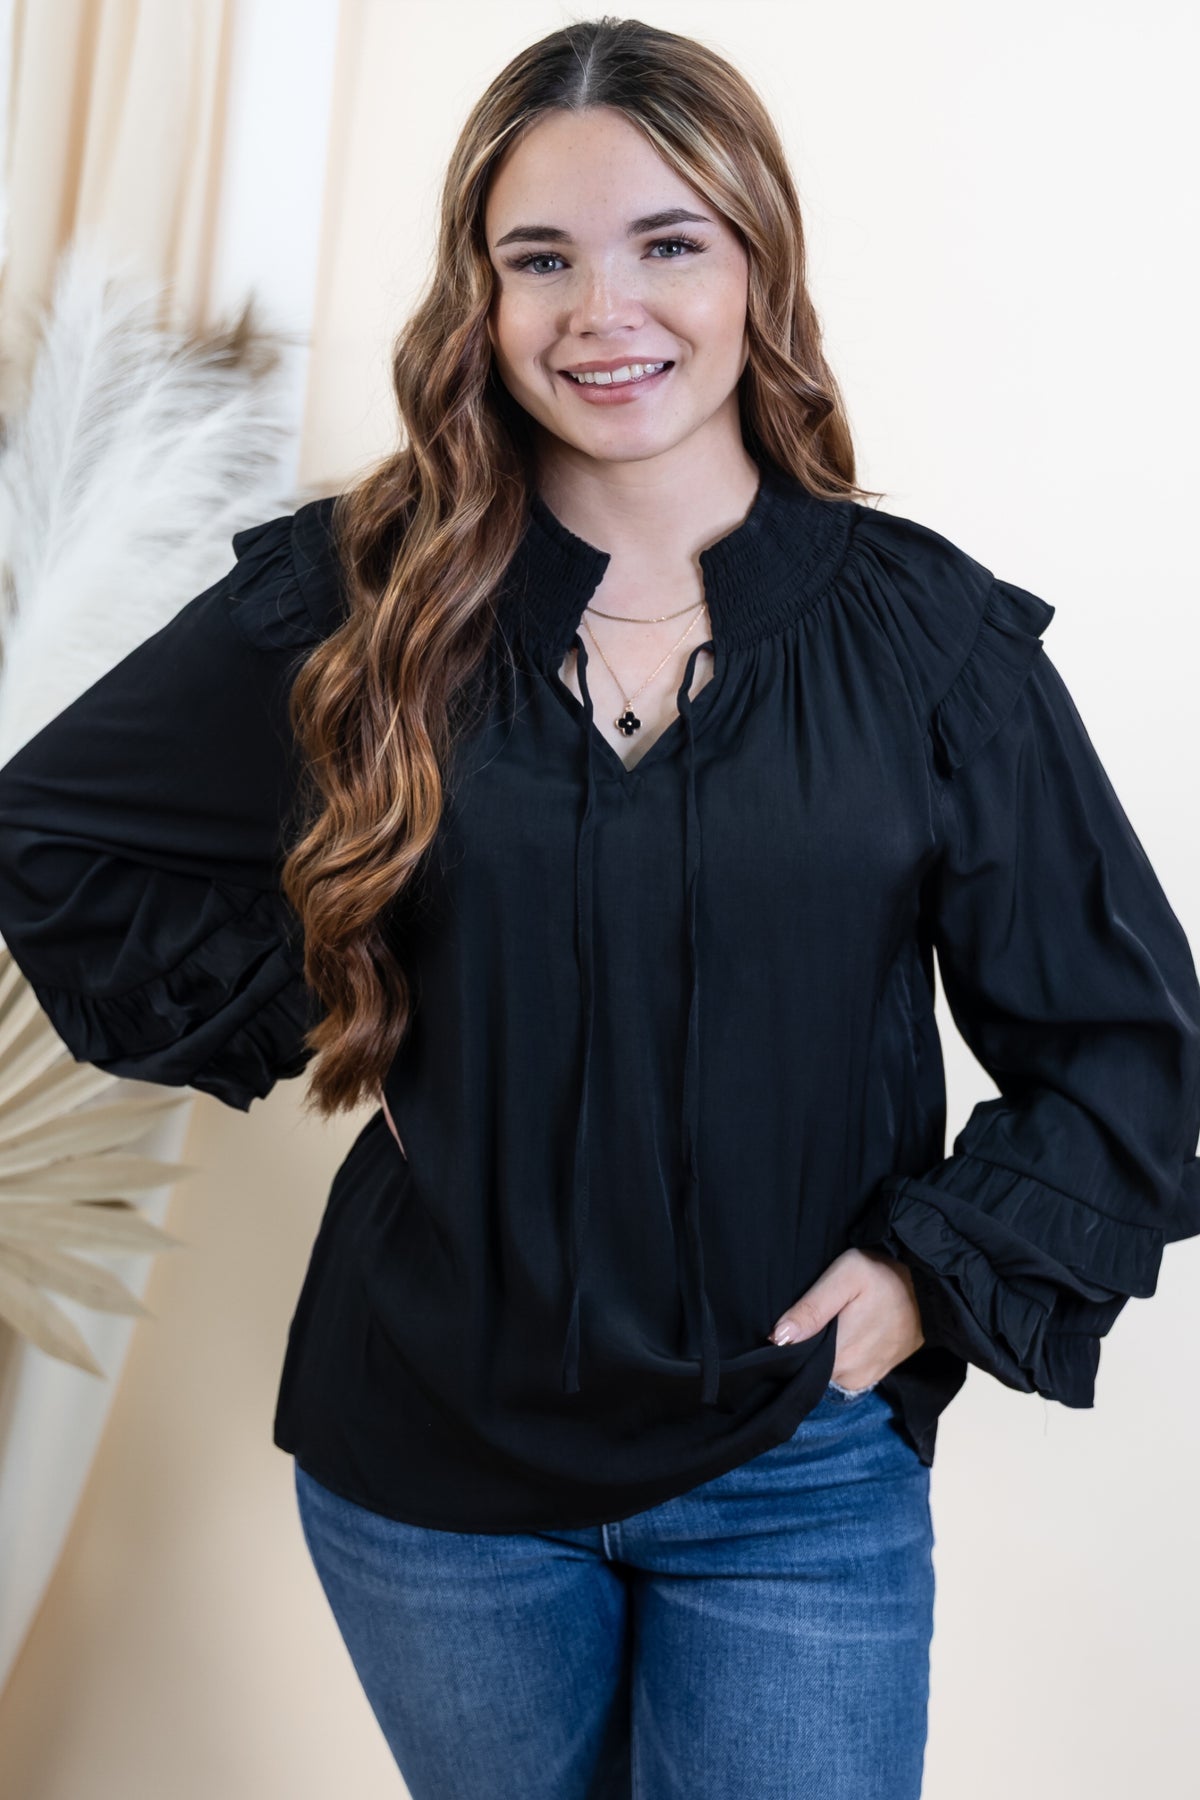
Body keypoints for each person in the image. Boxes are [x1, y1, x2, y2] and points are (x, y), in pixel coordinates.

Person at [0, 14, 1197, 1798]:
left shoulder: (927, 641)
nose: (601, 311)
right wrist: (337, 985)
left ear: (757, 263)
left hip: (792, 1471)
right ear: (477, 296)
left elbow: (1129, 1052)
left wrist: (921, 1282)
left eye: (667, 244)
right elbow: (52, 835)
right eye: (540, 258)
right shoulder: (361, 596)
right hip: (428, 1473)